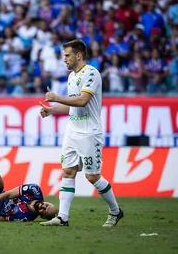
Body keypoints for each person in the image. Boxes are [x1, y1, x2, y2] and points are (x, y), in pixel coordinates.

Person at [39, 39, 124, 227]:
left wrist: (55, 97)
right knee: (68, 172)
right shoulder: (71, 76)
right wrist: (51, 109)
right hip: (73, 130)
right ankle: (62, 217)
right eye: (63, 56)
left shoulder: (92, 73)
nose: (64, 60)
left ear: (78, 55)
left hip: (89, 132)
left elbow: (83, 101)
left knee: (92, 176)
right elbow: (72, 106)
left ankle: (115, 212)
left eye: (67, 55)